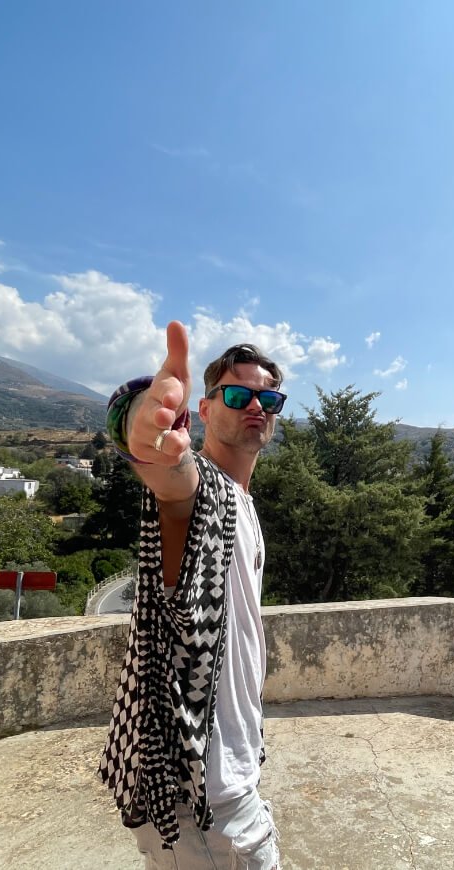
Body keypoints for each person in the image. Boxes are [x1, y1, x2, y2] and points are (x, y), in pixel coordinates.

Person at [98, 321, 284, 870]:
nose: (256, 404)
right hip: (204, 799)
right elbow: (173, 479)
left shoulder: (242, 505)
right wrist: (140, 427)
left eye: (268, 396)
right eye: (237, 393)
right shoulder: (205, 494)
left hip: (217, 783)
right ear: (204, 409)